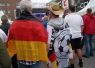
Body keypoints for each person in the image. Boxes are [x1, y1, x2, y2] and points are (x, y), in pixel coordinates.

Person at [7, 0, 48, 68]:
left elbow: (10, 42)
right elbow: (44, 39)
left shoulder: (14, 24)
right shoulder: (38, 24)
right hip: (35, 58)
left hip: (21, 58)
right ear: (31, 9)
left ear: (21, 9)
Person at [47, 2, 73, 68]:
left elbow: (49, 40)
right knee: (64, 65)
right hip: (65, 48)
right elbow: (70, 34)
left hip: (55, 51)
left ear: (50, 12)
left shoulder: (50, 24)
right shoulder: (64, 21)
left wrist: (47, 52)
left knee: (56, 65)